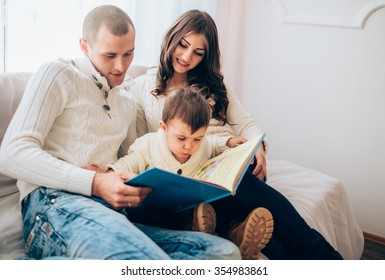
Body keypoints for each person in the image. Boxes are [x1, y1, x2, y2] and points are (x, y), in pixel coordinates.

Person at [0, 5, 241, 260]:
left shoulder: (127, 99)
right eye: (110, 55)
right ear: (84, 46)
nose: (120, 66)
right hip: (54, 203)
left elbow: (132, 158)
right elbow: (12, 153)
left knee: (222, 252)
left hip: (111, 213)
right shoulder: (59, 73)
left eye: (128, 54)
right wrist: (94, 181)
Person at [130, 9, 344, 260]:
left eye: (198, 52)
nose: (187, 57)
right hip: (191, 171)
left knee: (259, 202)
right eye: (183, 45)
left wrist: (259, 147)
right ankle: (234, 230)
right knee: (270, 237)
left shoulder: (214, 84)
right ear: (171, 39)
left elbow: (246, 124)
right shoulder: (143, 87)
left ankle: (323, 257)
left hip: (230, 164)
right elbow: (144, 141)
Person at [85, 87, 274, 260]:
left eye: (197, 138)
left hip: (195, 208)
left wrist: (229, 142)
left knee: (218, 200)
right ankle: (205, 232)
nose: (189, 146)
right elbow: (128, 163)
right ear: (164, 128)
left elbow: (213, 144)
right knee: (139, 208)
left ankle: (235, 233)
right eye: (181, 138)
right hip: (160, 212)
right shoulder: (148, 145)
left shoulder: (203, 144)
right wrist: (107, 173)